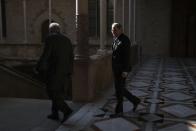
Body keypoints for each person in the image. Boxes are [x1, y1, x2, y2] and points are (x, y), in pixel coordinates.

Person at [36, 22, 74, 123]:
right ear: (59, 30)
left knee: (52, 92)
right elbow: (71, 56)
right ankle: (55, 113)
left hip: (54, 72)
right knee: (58, 93)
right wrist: (70, 71)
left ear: (50, 30)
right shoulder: (67, 40)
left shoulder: (50, 38)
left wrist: (38, 67)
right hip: (65, 73)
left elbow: (46, 55)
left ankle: (66, 110)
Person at [111, 23, 141, 115]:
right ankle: (135, 101)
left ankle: (119, 110)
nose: (113, 32)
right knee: (119, 89)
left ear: (120, 30)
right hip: (116, 69)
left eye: (115, 30)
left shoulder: (125, 40)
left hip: (122, 69)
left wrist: (125, 70)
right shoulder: (116, 39)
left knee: (119, 89)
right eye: (112, 30)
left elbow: (127, 56)